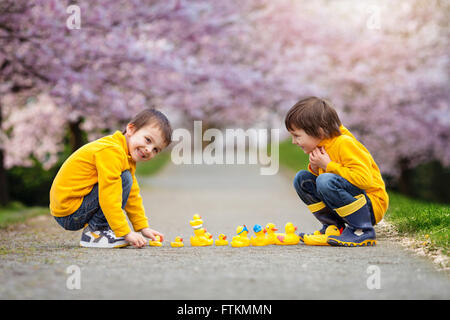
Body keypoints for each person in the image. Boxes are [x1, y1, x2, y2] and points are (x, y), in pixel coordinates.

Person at [50, 109, 172, 248]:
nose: (149, 150)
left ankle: (100, 230)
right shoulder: (112, 151)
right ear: (131, 129)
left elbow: (132, 194)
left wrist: (142, 227)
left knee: (126, 180)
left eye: (156, 149)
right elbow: (110, 195)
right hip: (70, 211)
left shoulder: (125, 154)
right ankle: (96, 232)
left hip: (73, 208)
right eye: (148, 140)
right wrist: (125, 232)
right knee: (124, 179)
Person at [285, 97, 388, 246]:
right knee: (302, 179)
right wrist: (315, 168)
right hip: (348, 203)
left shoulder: (343, 143)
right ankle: (334, 228)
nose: (294, 142)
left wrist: (329, 165)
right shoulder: (321, 147)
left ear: (319, 132)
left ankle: (362, 230)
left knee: (325, 180)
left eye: (297, 136)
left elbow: (364, 180)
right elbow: (325, 187)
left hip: (369, 206)